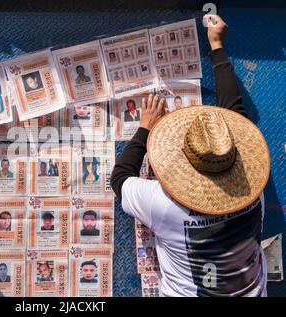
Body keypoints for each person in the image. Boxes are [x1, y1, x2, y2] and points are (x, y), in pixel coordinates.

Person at [111, 15, 270, 297]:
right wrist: (217, 45)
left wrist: (146, 127)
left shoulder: (162, 204)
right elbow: (235, 117)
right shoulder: (252, 190)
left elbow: (120, 179)